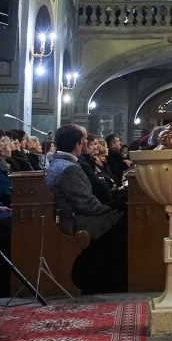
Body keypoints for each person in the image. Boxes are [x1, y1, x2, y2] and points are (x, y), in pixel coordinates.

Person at [45, 124, 127, 293]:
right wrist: (109, 209)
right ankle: (115, 281)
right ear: (77, 145)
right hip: (75, 219)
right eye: (83, 142)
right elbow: (86, 203)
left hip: (69, 214)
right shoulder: (69, 169)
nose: (84, 145)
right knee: (124, 220)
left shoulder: (58, 162)